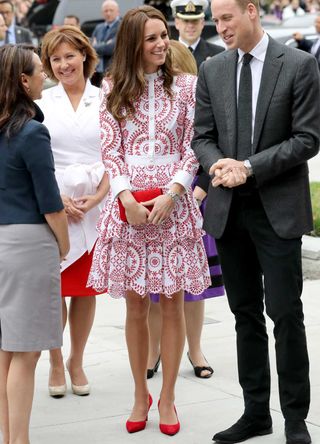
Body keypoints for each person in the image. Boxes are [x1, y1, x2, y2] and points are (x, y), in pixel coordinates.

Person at [192, 0, 320, 442]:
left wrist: (249, 166)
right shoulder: (212, 69)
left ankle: (295, 419)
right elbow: (202, 136)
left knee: (285, 314)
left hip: (278, 210)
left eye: (227, 17)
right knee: (244, 315)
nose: (220, 26)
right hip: (229, 212)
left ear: (251, 11)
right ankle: (255, 413)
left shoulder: (299, 65)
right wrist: (219, 166)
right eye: (216, 19)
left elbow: (307, 139)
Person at [88, 5, 210, 436]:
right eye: (152, 38)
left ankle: (169, 397)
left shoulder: (189, 86)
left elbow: (196, 145)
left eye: (164, 35)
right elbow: (111, 150)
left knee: (174, 303)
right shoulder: (111, 87)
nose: (162, 44)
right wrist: (125, 199)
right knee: (137, 305)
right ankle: (140, 392)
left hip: (173, 208)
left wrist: (174, 193)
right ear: (132, 44)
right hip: (129, 210)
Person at [0, 44, 69, 444]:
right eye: (40, 71)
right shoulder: (31, 131)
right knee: (26, 353)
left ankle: (10, 437)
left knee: (6, 351)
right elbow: (50, 203)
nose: (46, 76)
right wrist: (61, 244)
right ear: (23, 81)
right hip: (27, 244)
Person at [37, 26, 109, 399]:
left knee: (85, 290)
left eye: (70, 55)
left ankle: (76, 360)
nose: (64, 64)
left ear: (85, 55)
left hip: (96, 206)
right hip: (54, 205)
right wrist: (58, 199)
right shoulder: (42, 102)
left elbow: (117, 151)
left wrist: (97, 197)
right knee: (55, 291)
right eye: (56, 59)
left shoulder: (106, 97)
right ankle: (53, 359)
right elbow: (35, 157)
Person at [147, 39, 224, 381]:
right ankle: (154, 349)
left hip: (194, 198)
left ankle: (195, 348)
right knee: (151, 287)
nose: (172, 77)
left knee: (194, 289)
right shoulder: (149, 104)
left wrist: (196, 193)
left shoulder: (201, 104)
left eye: (177, 71)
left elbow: (211, 151)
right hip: (156, 201)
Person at [170, 0, 223, 69]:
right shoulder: (167, 52)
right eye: (185, 21)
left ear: (202, 23)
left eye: (195, 20)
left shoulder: (218, 53)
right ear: (177, 23)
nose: (191, 25)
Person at [91, 0, 121, 86]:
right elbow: (90, 48)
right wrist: (105, 44)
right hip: (97, 72)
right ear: (102, 13)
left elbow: (112, 48)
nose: (108, 13)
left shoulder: (122, 26)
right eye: (106, 11)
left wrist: (96, 45)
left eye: (111, 10)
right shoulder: (98, 27)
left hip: (113, 71)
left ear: (117, 12)